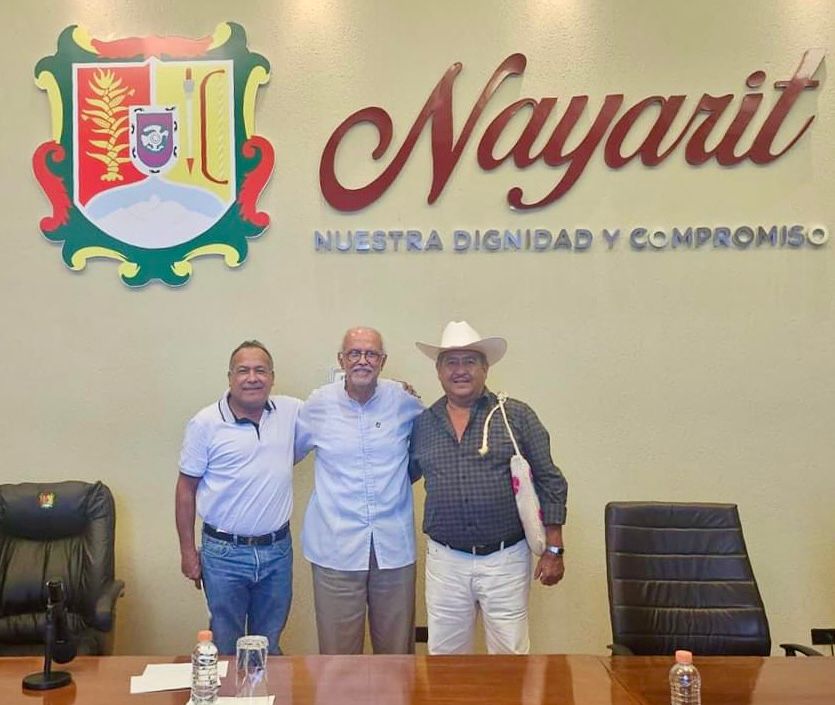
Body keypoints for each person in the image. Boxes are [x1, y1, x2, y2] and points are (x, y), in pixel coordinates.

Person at [409, 320, 568, 655]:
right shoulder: (423, 424)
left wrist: (554, 549)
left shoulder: (516, 416)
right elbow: (401, 476)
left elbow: (550, 479)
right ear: (438, 371)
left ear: (485, 368)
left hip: (505, 559)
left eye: (470, 361)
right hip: (445, 561)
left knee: (510, 656)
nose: (460, 370)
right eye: (451, 362)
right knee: (445, 659)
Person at [294, 326, 424, 654]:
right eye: (354, 353)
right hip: (335, 549)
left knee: (397, 657)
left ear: (383, 361)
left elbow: (427, 451)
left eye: (371, 354)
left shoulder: (404, 402)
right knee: (338, 659)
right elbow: (285, 455)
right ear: (341, 360)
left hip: (393, 549)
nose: (362, 360)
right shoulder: (318, 405)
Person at [175, 340, 300, 655]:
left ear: (272, 377)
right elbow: (186, 489)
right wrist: (188, 551)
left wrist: (392, 388)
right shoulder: (205, 423)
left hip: (277, 552)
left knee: (268, 644)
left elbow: (338, 403)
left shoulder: (291, 412)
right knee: (226, 646)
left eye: (261, 370)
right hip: (223, 555)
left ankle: (262, 688)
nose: (252, 378)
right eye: (243, 371)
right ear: (230, 377)